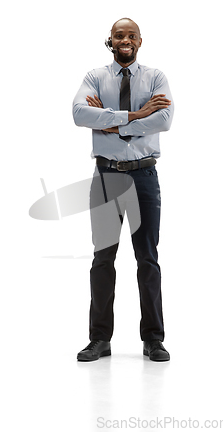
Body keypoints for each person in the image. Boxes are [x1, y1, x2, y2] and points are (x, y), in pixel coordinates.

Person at [72, 18, 174, 362]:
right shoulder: (95, 77)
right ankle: (99, 339)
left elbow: (164, 120)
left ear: (140, 41)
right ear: (110, 41)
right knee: (103, 260)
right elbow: (79, 113)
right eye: (119, 35)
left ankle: (154, 340)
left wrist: (112, 119)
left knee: (148, 260)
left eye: (131, 36)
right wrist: (136, 114)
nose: (125, 40)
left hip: (144, 177)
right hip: (106, 177)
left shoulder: (156, 77)